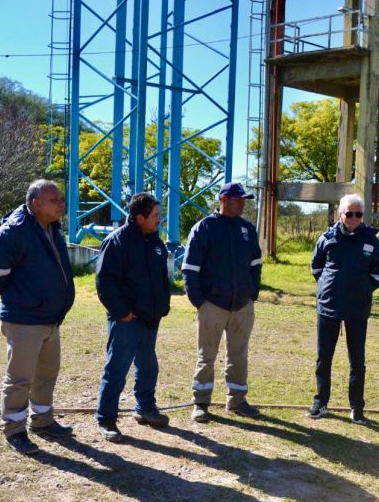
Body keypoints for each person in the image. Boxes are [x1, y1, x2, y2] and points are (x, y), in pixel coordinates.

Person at [0, 179, 76, 455]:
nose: (61, 204)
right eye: (55, 200)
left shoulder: (52, 228)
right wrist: (24, 299)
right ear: (36, 204)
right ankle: (14, 429)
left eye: (61, 199)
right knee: (20, 378)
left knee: (46, 374)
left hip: (50, 319)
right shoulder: (16, 231)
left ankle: (43, 421)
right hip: (25, 319)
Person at [93, 192, 172, 442]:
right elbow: (105, 281)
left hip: (151, 319)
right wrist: (122, 312)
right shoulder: (117, 241)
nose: (160, 219)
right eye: (156, 215)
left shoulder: (156, 242)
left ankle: (145, 408)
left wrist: (163, 307)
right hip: (127, 320)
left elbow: (161, 279)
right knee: (117, 368)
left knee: (148, 366)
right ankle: (106, 419)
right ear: (139, 217)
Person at [182, 182, 263, 422]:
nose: (243, 203)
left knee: (239, 354)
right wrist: (200, 302)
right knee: (206, 355)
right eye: (239, 199)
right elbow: (190, 268)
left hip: (242, 305)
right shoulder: (204, 228)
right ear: (224, 199)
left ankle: (237, 401)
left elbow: (255, 265)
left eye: (245, 200)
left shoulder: (247, 229)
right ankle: (201, 403)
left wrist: (252, 294)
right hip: (213, 305)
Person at [307, 194, 379, 424]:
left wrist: (361, 290)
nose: (353, 218)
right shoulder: (327, 239)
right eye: (349, 213)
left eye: (358, 214)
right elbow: (316, 268)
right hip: (328, 308)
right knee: (324, 358)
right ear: (340, 214)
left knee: (357, 360)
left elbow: (378, 274)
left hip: (357, 310)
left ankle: (357, 407)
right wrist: (328, 288)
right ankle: (320, 402)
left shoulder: (371, 241)